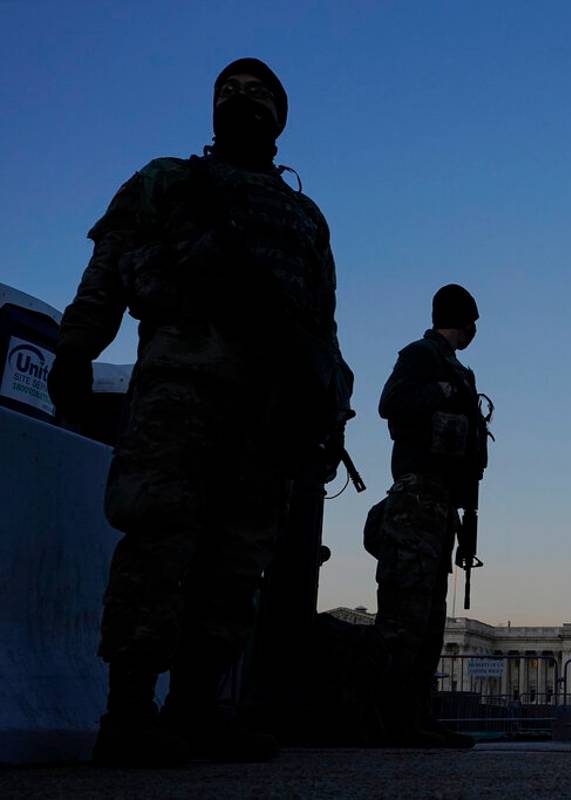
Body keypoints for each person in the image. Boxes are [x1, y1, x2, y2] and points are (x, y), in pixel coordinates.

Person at [48, 58, 353, 766]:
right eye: (227, 92)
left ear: (281, 117)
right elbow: (106, 272)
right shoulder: (168, 180)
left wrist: (327, 414)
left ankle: (193, 708)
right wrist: (74, 349)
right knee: (159, 543)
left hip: (267, 407)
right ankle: (127, 713)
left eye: (257, 95)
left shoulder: (305, 217)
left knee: (238, 563)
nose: (240, 102)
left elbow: (321, 326)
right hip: (180, 388)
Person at [370, 284, 487, 748]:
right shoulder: (421, 355)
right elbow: (390, 404)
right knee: (406, 612)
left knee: (433, 615)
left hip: (443, 500)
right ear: (465, 320)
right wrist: (441, 389)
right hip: (417, 493)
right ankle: (391, 718)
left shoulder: (461, 370)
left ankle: (416, 714)